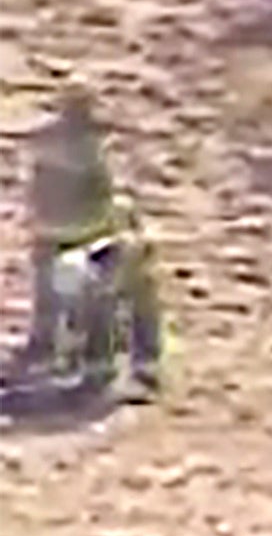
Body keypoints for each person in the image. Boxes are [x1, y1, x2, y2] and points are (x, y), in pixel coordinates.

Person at [16, 104, 165, 400]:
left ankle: (56, 353)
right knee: (113, 278)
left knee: (90, 280)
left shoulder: (48, 159)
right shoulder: (78, 164)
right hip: (81, 248)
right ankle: (122, 362)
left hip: (69, 247)